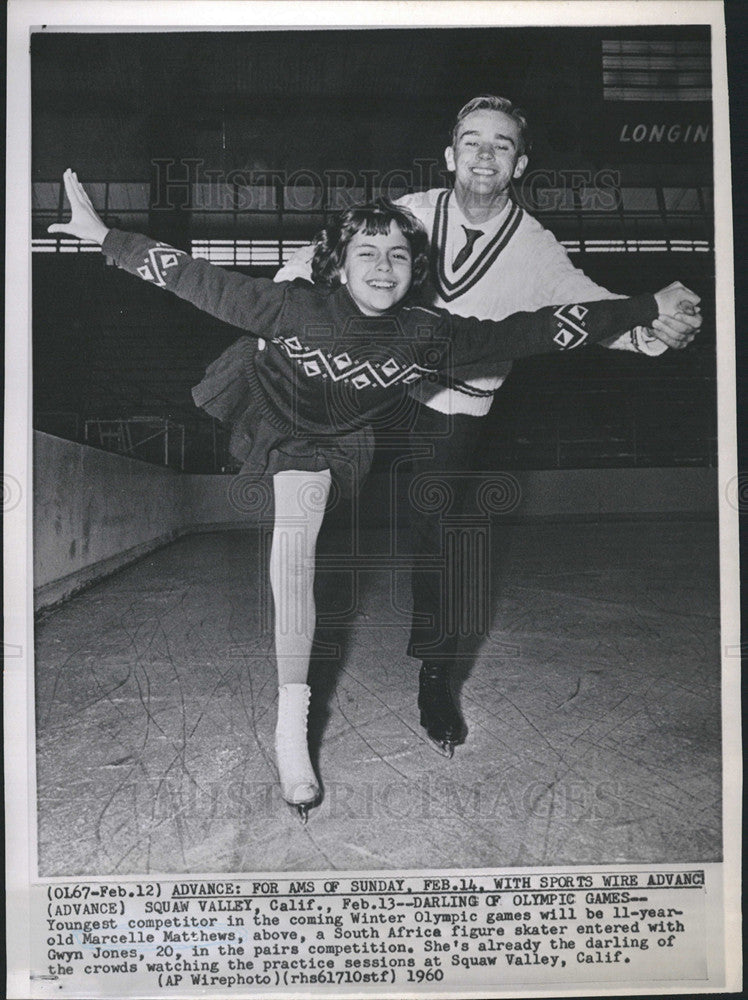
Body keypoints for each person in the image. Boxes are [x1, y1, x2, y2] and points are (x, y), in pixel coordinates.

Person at [49, 169, 700, 820]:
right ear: (339, 264)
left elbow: (533, 330)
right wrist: (104, 236)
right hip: (282, 418)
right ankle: (291, 727)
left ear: (414, 267)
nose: (383, 266)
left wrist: (644, 308)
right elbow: (191, 277)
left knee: (353, 520)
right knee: (294, 556)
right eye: (367, 252)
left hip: (342, 433)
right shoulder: (293, 306)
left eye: (397, 254)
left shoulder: (427, 336)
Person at [276, 95, 704, 757]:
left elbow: (591, 309)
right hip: (368, 388)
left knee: (443, 537)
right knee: (311, 512)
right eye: (471, 141)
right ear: (449, 156)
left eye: (500, 145)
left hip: (454, 404)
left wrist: (654, 330)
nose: (483, 154)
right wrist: (287, 293)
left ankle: (438, 676)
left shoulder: (535, 247)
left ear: (520, 164)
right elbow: (329, 252)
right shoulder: (412, 213)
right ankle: (297, 691)